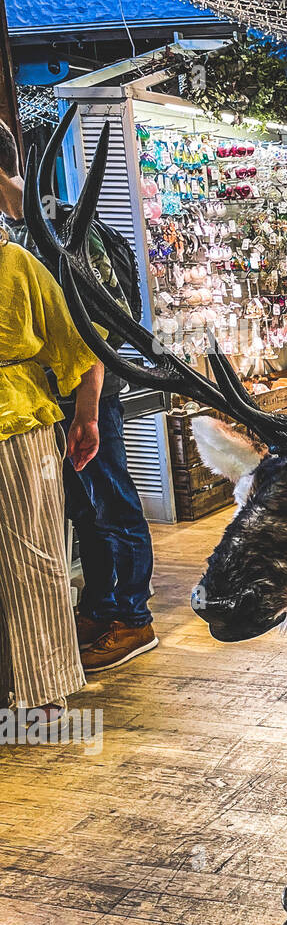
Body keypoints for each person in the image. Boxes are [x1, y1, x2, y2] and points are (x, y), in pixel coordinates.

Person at [0, 119, 158, 672]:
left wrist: (87, 409)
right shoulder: (10, 231)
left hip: (87, 388)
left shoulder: (64, 223)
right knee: (80, 507)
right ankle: (98, 605)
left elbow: (101, 324)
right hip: (42, 397)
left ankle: (134, 619)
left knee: (112, 500)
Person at [0, 228, 104, 723]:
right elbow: (79, 343)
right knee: (34, 554)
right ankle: (40, 691)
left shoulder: (16, 263)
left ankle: (43, 689)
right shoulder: (16, 261)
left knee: (33, 555)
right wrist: (86, 416)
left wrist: (87, 415)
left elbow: (80, 344)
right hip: (21, 421)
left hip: (18, 421)